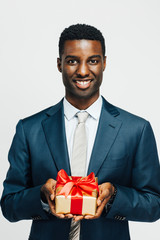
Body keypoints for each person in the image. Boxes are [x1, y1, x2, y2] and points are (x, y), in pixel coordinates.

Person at [1, 24, 160, 240]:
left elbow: (154, 205)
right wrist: (40, 195)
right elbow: (9, 205)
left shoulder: (136, 129)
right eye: (72, 61)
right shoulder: (29, 129)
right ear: (59, 64)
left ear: (104, 63)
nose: (83, 70)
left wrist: (114, 196)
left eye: (93, 60)